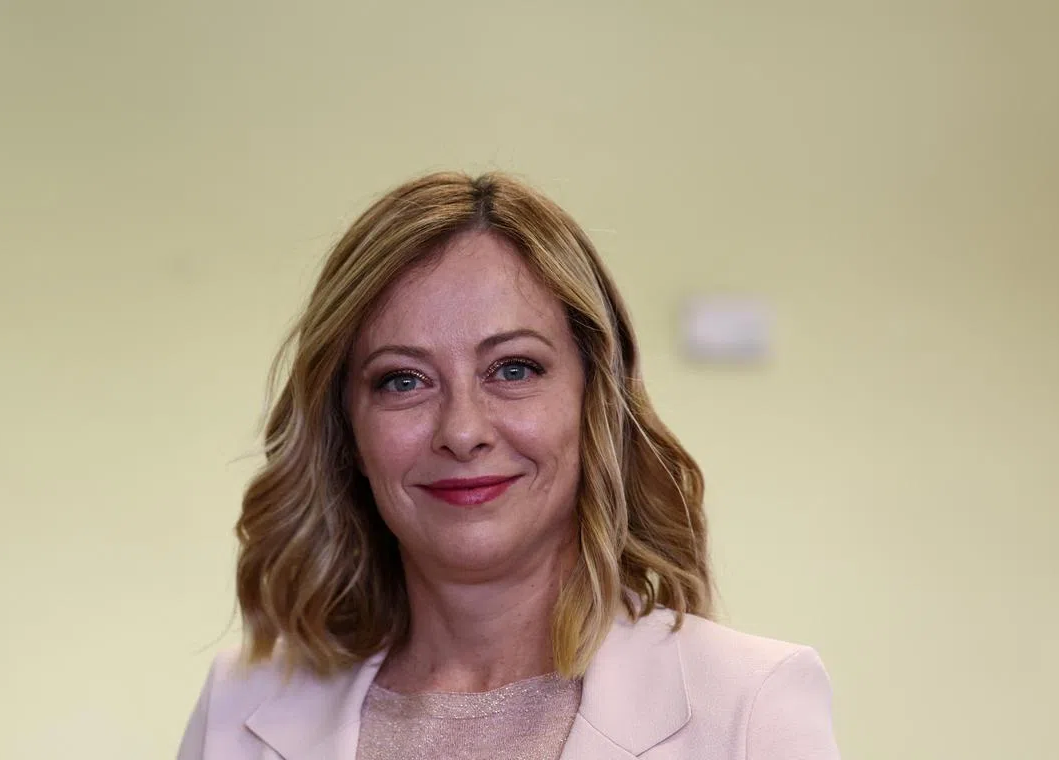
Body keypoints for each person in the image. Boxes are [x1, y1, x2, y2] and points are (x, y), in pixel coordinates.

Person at [177, 172, 840, 760]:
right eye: (402, 381)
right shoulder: (240, 709)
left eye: (514, 369)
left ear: (594, 402)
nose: (462, 431)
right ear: (345, 428)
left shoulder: (751, 706)